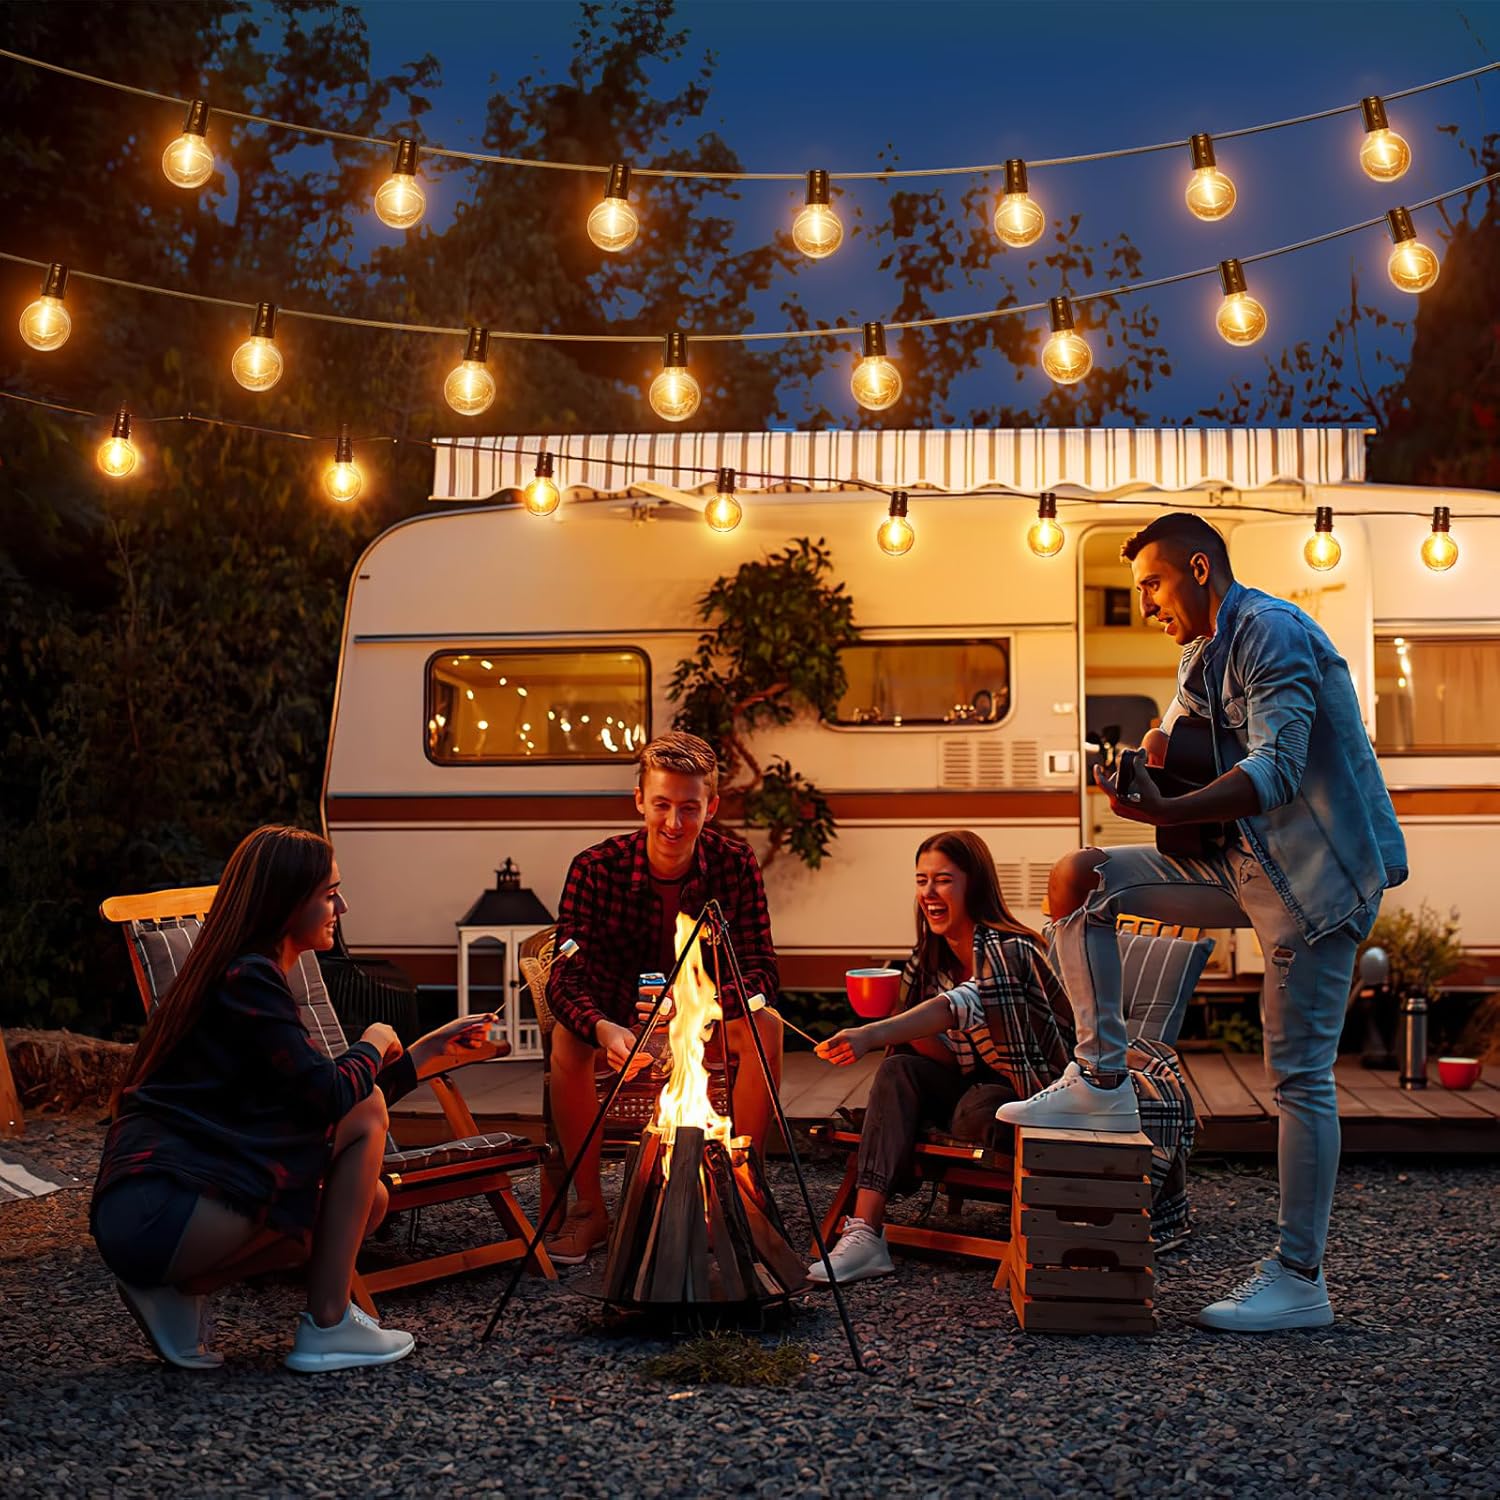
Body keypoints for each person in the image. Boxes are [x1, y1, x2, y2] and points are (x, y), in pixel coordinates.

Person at [998, 513, 1407, 1332]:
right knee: (1082, 881)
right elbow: (1174, 732)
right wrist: (1142, 768)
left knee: (1297, 1078)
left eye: (1151, 583)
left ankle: (1300, 1278)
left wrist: (1170, 806)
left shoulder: (1271, 633)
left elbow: (1276, 770)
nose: (1145, 602)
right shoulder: (1199, 651)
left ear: (1197, 568)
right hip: (1238, 864)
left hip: (1315, 883)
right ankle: (1102, 1082)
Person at [91, 825, 502, 1372]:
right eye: (330, 894)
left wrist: (425, 1052)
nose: (342, 907)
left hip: (159, 1211)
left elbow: (317, 1103)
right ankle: (328, 1325)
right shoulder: (247, 979)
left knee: (370, 1202)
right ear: (286, 902)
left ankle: (177, 1292)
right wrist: (373, 1040)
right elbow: (337, 1098)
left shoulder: (242, 975)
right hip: (161, 1204)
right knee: (364, 1116)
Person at [545, 731, 784, 1264]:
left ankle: (744, 1196)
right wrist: (603, 1028)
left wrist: (706, 1008)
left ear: (711, 807)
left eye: (689, 808)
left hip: (707, 1016)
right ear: (639, 801)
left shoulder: (734, 864)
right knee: (567, 1040)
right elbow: (564, 977)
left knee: (766, 1026)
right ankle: (589, 1209)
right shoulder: (595, 868)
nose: (674, 822)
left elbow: (761, 968)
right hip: (618, 1021)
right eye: (661, 805)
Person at [808, 830, 1073, 1284]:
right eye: (921, 880)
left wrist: (872, 1032)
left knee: (974, 1114)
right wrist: (893, 1017)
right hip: (968, 1085)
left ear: (975, 885)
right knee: (898, 1069)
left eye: (943, 880)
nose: (929, 892)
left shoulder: (1012, 949)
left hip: (1026, 1092)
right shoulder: (928, 959)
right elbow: (948, 1060)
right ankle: (866, 1233)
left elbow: (957, 1006)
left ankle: (914, 1152)